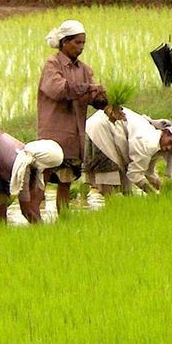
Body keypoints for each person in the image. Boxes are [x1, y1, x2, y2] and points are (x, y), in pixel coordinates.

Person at [37, 19, 106, 213]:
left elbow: (93, 96)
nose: (81, 47)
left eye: (83, 43)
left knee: (65, 181)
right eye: (77, 42)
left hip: (73, 137)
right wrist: (89, 88)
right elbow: (60, 90)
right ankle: (34, 217)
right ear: (65, 42)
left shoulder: (83, 70)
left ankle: (63, 219)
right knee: (41, 179)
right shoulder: (53, 64)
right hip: (53, 134)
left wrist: (106, 103)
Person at [85, 108, 172, 194]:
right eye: (171, 142)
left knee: (125, 172)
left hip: (108, 124)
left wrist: (164, 188)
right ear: (165, 132)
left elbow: (148, 172)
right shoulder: (148, 143)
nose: (169, 147)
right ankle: (110, 207)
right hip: (102, 127)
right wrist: (153, 194)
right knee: (108, 174)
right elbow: (134, 174)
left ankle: (126, 203)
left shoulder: (156, 140)